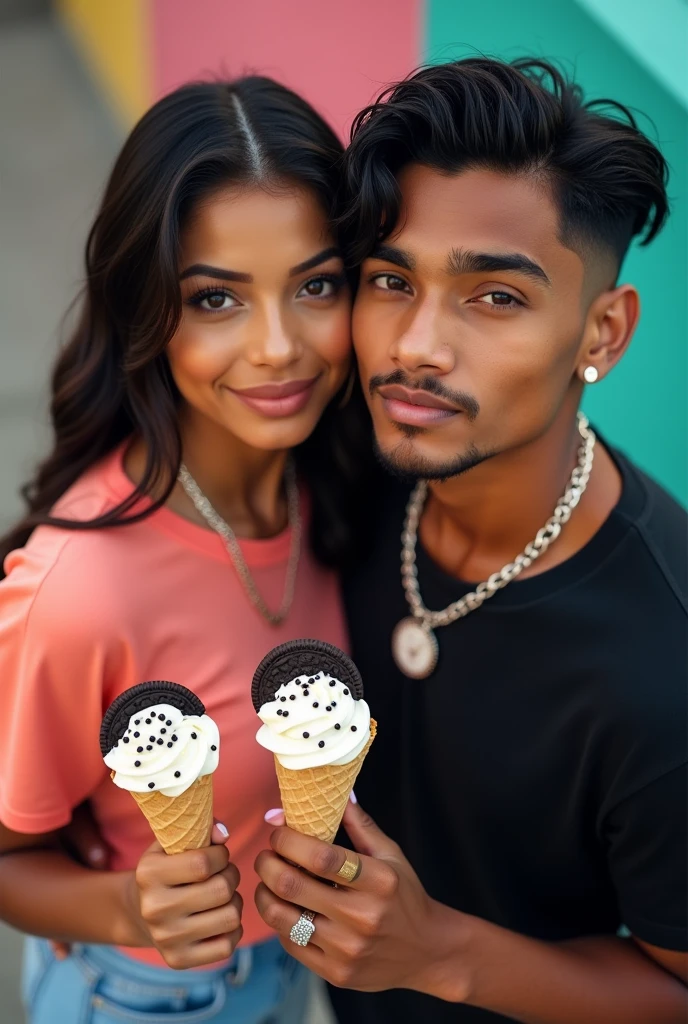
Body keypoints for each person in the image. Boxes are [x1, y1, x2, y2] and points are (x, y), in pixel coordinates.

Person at [252, 59, 688, 1022]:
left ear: (603, 335)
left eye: (496, 297)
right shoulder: (345, 466)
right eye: (391, 279)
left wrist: (441, 954)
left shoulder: (665, 666)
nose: (417, 346)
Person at [0, 76, 372, 1022]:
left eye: (317, 285)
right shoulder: (78, 589)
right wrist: (129, 905)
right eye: (217, 300)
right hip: (140, 996)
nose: (281, 347)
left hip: (290, 977)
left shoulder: (338, 483)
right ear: (148, 310)